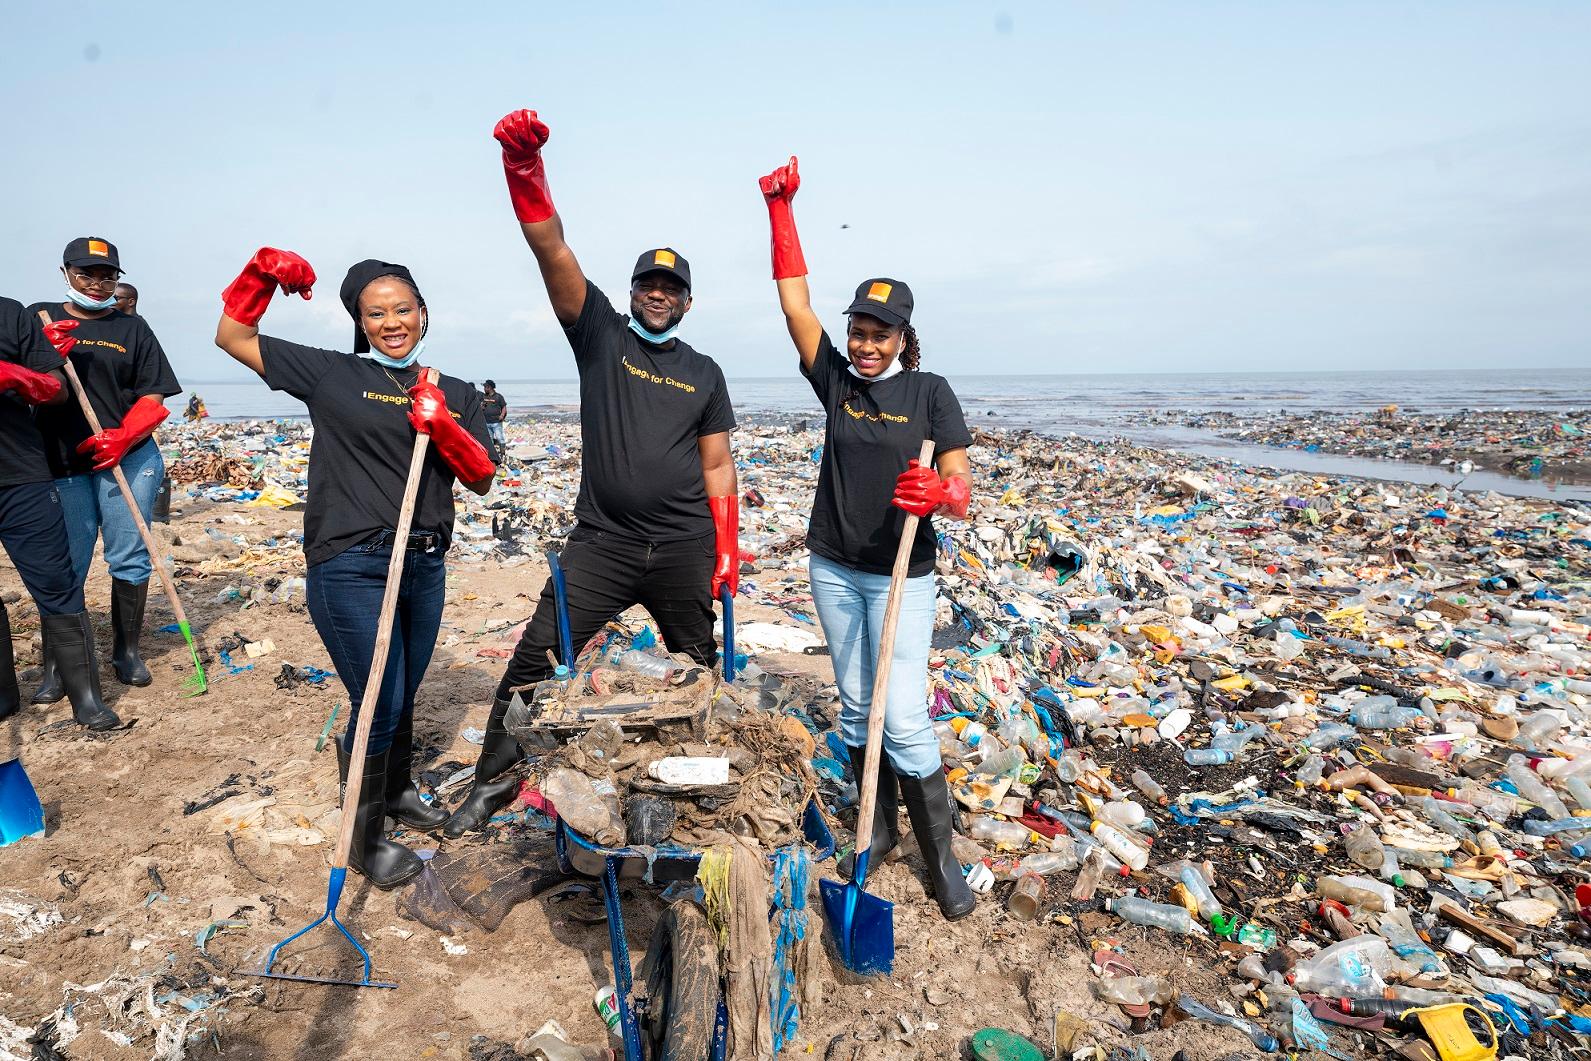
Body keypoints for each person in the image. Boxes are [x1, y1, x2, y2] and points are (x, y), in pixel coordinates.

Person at [442, 108, 740, 838]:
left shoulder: (704, 372)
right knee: (533, 660)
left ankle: (691, 779)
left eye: (671, 286)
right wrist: (525, 172)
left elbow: (719, 463)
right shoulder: (602, 335)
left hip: (681, 545)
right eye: (648, 281)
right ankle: (490, 781)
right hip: (602, 543)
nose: (657, 292)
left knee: (696, 669)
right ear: (633, 288)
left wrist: (728, 547)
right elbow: (552, 252)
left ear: (688, 300)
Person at [215, 248, 495, 888]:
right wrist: (258, 278)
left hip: (423, 562)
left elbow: (480, 476)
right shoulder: (330, 374)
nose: (391, 321)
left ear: (424, 314)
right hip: (351, 563)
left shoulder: (453, 389)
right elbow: (233, 335)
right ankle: (363, 839)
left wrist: (444, 425)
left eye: (402, 309)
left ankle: (393, 797)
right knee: (379, 699)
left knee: (404, 691)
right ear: (360, 322)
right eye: (376, 314)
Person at [757, 157, 976, 920]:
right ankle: (876, 830)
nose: (864, 342)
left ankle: (941, 861)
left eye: (878, 332)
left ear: (901, 337)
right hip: (834, 565)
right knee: (855, 707)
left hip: (901, 577)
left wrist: (940, 492)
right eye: (857, 329)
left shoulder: (929, 391)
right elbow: (793, 306)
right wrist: (781, 212)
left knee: (905, 715)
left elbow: (961, 490)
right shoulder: (837, 382)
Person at [30, 238, 180, 704]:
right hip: (61, 461)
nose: (97, 283)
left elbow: (153, 395)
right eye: (86, 273)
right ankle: (58, 664)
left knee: (129, 556)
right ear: (65, 273)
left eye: (107, 275)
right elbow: (15, 380)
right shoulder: (39, 318)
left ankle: (126, 652)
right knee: (66, 563)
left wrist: (125, 436)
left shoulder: (132, 328)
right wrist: (42, 357)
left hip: (128, 459)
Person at [0, 298, 118, 729]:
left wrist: (14, 375)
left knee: (56, 582)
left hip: (21, 474)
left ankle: (87, 699)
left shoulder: (10, 314)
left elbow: (57, 386)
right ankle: (3, 697)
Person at [480, 379, 507, 462]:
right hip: (487, 422)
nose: (484, 389)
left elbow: (504, 407)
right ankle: (492, 456)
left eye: (485, 387)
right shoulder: (484, 397)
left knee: (500, 438)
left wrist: (502, 415)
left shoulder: (498, 396)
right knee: (490, 440)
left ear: (490, 387)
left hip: (496, 422)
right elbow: (481, 407)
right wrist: (482, 406)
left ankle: (503, 454)